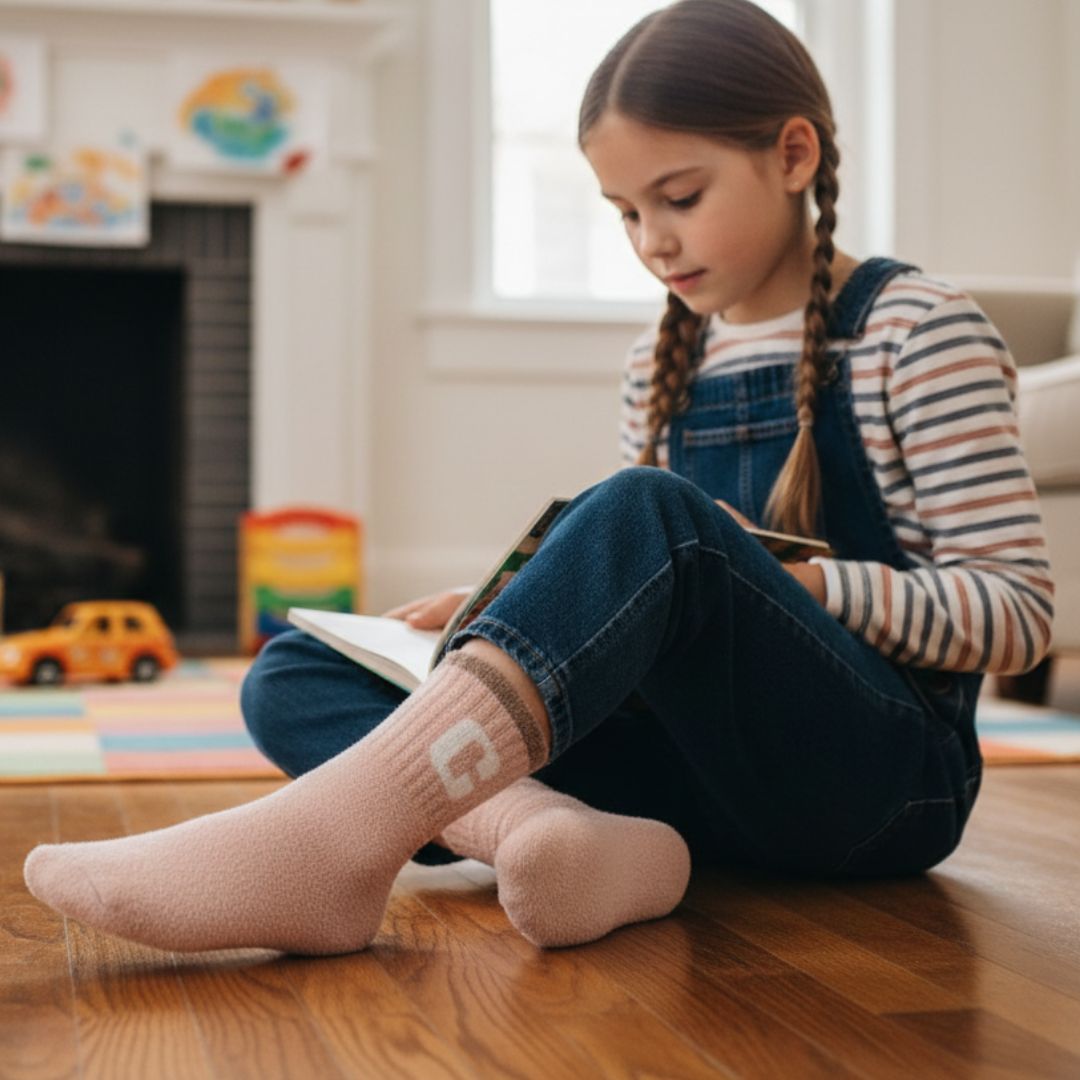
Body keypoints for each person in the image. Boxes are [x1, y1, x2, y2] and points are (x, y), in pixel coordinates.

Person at [24, 0, 1053, 956]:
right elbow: (651, 605)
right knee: (293, 673)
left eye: (679, 198)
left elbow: (1015, 616)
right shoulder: (662, 361)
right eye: (623, 213)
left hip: (876, 787)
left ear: (793, 154)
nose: (654, 242)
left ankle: (332, 850)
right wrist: (504, 611)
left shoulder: (918, 331)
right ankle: (546, 836)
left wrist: (810, 585)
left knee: (652, 511)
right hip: (690, 788)